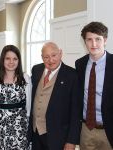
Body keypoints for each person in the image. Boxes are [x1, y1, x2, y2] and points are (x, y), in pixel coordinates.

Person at [30, 42, 81, 150]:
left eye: (54, 55)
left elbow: (75, 112)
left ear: (60, 53)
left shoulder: (72, 75)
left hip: (58, 136)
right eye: (46, 57)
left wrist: (71, 141)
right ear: (42, 57)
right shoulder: (36, 70)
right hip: (35, 133)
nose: (51, 60)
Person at [0, 45, 32, 150]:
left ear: (19, 61)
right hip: (0, 129)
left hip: (21, 129)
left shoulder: (26, 78)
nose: (11, 62)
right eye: (7, 58)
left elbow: (30, 107)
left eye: (15, 59)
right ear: (2, 60)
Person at [75, 21, 113, 150]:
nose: (94, 44)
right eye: (89, 39)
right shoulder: (79, 64)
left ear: (105, 40)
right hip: (86, 130)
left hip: (109, 130)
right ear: (85, 42)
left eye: (98, 39)